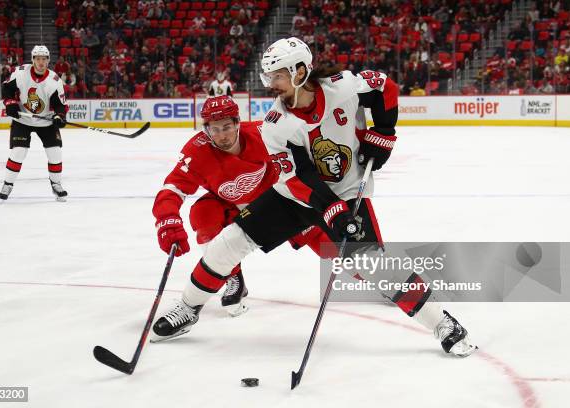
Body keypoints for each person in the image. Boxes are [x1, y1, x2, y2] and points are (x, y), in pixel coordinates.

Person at [152, 37, 477, 358]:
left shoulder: (345, 86)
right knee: (229, 243)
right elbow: (296, 176)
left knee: (371, 262)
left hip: (348, 191)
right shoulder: (275, 124)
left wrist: (385, 132)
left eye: (275, 75)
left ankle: (443, 324)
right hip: (294, 196)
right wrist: (329, 208)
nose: (270, 84)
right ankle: (188, 308)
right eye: (268, 77)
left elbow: (384, 87)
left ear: (298, 71)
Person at [152, 95, 331, 319]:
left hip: (279, 203)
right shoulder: (196, 152)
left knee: (330, 245)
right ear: (206, 129)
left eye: (227, 127)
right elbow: (172, 189)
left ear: (238, 122)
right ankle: (232, 276)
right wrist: (167, 220)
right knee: (203, 213)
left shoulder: (263, 134)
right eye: (214, 129)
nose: (221, 135)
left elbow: (308, 154)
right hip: (233, 205)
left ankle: (381, 279)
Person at [0, 45, 69, 201]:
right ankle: (8, 184)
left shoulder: (54, 80)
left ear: (48, 60)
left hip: (46, 120)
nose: (41, 62)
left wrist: (59, 116)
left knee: (55, 153)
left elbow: (60, 104)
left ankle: (56, 184)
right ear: (33, 59)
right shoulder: (21, 72)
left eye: (44, 59)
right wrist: (10, 103)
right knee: (19, 151)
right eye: (38, 58)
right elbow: (6, 88)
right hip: (22, 119)